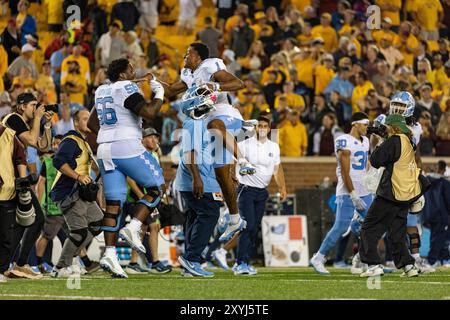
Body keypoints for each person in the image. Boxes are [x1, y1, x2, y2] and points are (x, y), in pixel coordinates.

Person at [154, 42, 248, 245]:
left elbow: (239, 84)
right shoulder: (188, 74)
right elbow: (171, 91)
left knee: (215, 124)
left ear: (198, 56)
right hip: (208, 124)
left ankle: (243, 160)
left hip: (225, 115)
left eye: (188, 53)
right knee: (220, 173)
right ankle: (234, 218)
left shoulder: (210, 66)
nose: (185, 57)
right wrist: (153, 83)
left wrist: (215, 86)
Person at [87, 58, 165, 278]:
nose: (134, 72)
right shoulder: (126, 86)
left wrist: (113, 126)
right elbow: (149, 112)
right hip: (126, 146)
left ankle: (110, 254)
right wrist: (158, 93)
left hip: (105, 150)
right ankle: (134, 226)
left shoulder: (102, 90)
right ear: (121, 74)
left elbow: (92, 125)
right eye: (131, 70)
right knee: (157, 188)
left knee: (113, 205)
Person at [359, 114, 430, 278]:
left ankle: (373, 264)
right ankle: (408, 266)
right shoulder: (408, 141)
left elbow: (376, 160)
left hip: (390, 193)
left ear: (391, 126)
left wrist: (381, 141)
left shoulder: (394, 140)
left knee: (369, 228)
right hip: (406, 194)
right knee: (396, 232)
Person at [310, 112, 372, 275]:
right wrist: (353, 194)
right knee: (341, 225)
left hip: (364, 190)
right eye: (365, 124)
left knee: (374, 224)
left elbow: (365, 166)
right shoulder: (343, 140)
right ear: (355, 124)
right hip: (347, 192)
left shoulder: (365, 141)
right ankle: (319, 257)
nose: (367, 127)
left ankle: (367, 260)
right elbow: (345, 172)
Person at [2, 92, 53, 279]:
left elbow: (43, 147)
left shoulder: (22, 124)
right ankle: (16, 263)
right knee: (34, 218)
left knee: (25, 221)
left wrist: (46, 124)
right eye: (33, 105)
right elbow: (32, 141)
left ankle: (14, 264)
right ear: (22, 106)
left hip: (15, 176)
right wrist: (38, 118)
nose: (35, 108)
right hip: (9, 176)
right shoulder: (13, 118)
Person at [49, 109, 103, 277]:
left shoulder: (84, 142)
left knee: (97, 222)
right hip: (68, 192)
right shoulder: (71, 140)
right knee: (78, 232)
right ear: (76, 122)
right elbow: (58, 161)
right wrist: (78, 176)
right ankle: (59, 268)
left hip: (81, 193)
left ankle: (71, 258)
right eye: (85, 118)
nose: (89, 121)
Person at [233, 116, 286, 275]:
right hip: (246, 189)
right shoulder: (245, 144)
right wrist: (236, 174)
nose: (262, 128)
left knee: (254, 228)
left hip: (262, 192)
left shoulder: (274, 147)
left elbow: (277, 168)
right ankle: (240, 262)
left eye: (265, 126)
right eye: (260, 126)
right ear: (256, 128)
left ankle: (245, 261)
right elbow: (232, 157)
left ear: (269, 129)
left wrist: (282, 186)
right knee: (247, 226)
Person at [175, 115, 222, 277]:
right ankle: (192, 258)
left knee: (194, 217)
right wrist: (197, 178)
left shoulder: (204, 125)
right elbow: (189, 154)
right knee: (210, 213)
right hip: (197, 180)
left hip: (201, 179)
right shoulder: (195, 123)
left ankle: (189, 263)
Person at [125, 127, 172, 274]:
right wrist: (141, 198)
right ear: (142, 140)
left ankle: (133, 263)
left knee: (143, 228)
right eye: (150, 137)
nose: (154, 140)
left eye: (155, 137)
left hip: (149, 197)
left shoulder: (153, 154)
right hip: (138, 197)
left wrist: (162, 195)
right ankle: (155, 262)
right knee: (153, 227)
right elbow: (130, 178)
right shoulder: (138, 155)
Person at [0, 122, 27, 283]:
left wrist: (22, 183)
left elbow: (20, 158)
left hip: (7, 193)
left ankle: (1, 269)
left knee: (6, 236)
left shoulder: (10, 135)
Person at [422, 161, 450, 267]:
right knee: (439, 238)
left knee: (435, 237)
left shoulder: (426, 181)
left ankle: (443, 258)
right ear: (443, 170)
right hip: (442, 215)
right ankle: (432, 260)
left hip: (429, 213)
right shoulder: (445, 183)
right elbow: (448, 201)